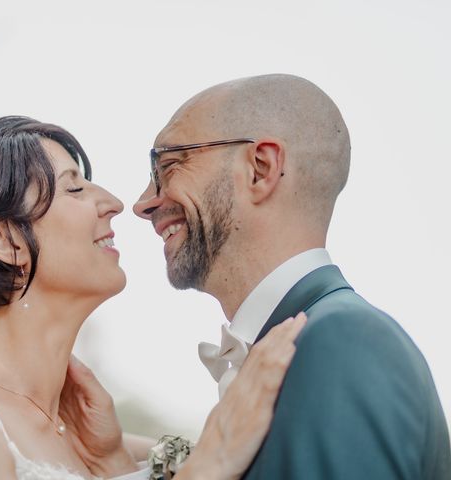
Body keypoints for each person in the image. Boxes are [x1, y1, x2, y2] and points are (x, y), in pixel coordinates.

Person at [0, 115, 306, 480]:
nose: (112, 202)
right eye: (74, 187)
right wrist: (208, 468)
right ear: (5, 239)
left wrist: (119, 464)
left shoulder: (98, 439)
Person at [130, 74, 451, 478]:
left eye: (170, 165)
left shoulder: (342, 342)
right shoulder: (306, 344)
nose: (144, 203)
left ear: (261, 169)